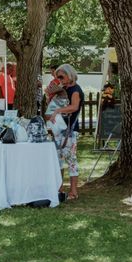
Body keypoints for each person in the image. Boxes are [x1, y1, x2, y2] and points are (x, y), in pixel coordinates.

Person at [48, 64, 83, 201]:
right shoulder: (63, 89)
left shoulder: (75, 89)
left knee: (71, 160)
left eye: (61, 76)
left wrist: (57, 111)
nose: (59, 79)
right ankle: (59, 188)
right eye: (57, 77)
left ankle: (73, 192)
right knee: (58, 160)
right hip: (58, 129)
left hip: (70, 130)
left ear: (70, 75)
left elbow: (74, 107)